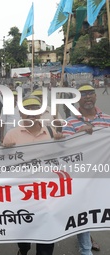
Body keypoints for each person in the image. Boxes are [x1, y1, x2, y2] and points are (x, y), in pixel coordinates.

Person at [3, 96, 64, 255]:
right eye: (27, 109)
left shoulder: (51, 132)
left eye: (34, 109)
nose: (31, 113)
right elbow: (4, 166)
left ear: (41, 112)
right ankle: (23, 249)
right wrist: (5, 151)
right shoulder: (12, 135)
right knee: (24, 232)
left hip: (47, 195)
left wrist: (60, 142)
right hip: (22, 195)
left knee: (46, 240)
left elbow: (62, 159)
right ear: (21, 113)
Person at [62, 84, 109, 255]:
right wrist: (79, 134)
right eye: (83, 95)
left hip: (103, 174)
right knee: (84, 210)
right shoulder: (70, 122)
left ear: (96, 96)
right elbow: (65, 149)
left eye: (90, 94)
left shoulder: (107, 119)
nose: (87, 97)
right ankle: (85, 248)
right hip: (81, 175)